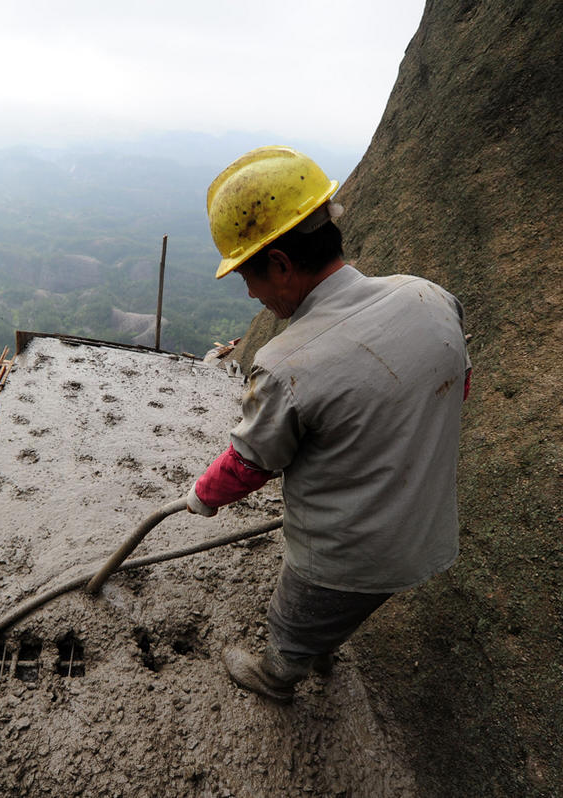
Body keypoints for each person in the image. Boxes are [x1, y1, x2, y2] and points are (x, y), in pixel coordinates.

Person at [185, 146, 471, 702]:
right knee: (348, 608)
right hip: (428, 529)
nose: (250, 293)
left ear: (282, 266)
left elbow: (250, 463)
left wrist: (202, 497)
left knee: (296, 618)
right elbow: (455, 385)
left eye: (248, 276)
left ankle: (278, 676)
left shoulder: (287, 363)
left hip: (348, 550)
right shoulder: (431, 297)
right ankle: (322, 645)